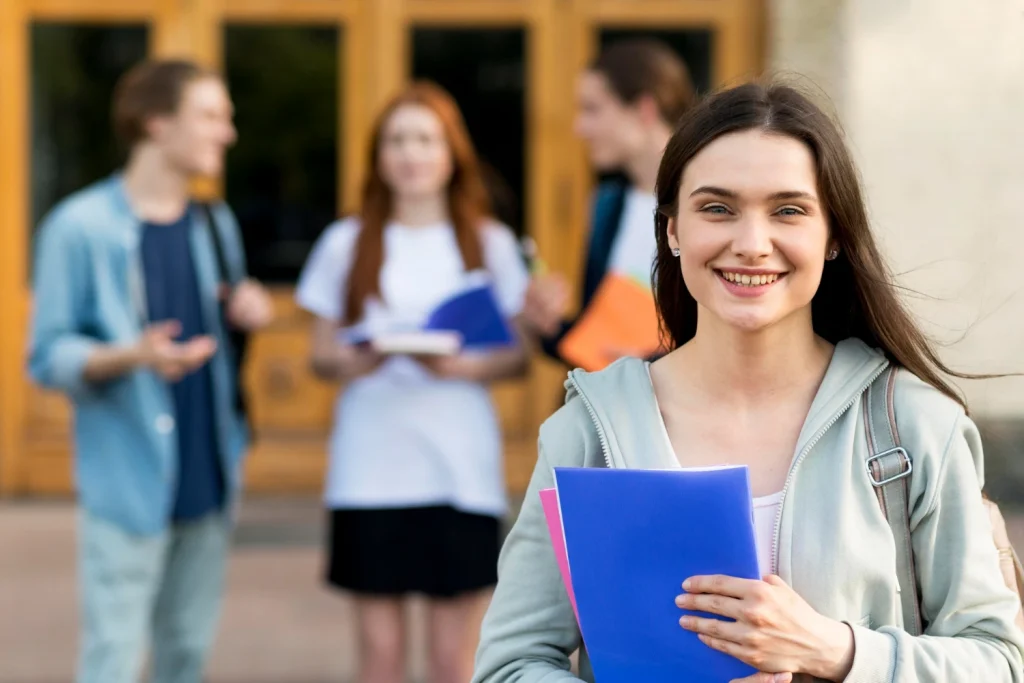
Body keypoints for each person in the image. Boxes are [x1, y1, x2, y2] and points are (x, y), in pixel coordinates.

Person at [472, 82, 1024, 683]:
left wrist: (832, 650)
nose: (752, 244)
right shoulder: (588, 430)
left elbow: (998, 660)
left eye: (788, 210)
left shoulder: (914, 426)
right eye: (717, 208)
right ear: (673, 230)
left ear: (834, 233)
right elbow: (511, 666)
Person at [28, 60, 273, 683]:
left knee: (186, 655)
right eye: (213, 117)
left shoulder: (215, 224)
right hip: (127, 480)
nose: (228, 133)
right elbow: (46, 355)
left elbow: (225, 335)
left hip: (210, 476)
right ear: (157, 125)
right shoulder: (78, 228)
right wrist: (129, 356)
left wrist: (247, 313)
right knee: (112, 658)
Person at [295, 81, 530, 683]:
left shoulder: (489, 243)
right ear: (378, 155)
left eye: (425, 139)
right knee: (380, 657)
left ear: (451, 153)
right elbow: (321, 354)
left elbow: (517, 354)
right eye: (396, 140)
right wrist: (361, 359)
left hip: (458, 468)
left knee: (455, 659)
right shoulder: (345, 242)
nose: (411, 153)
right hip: (370, 467)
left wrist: (463, 366)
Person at [520, 38, 695, 365]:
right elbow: (593, 344)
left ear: (645, 109)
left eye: (592, 109)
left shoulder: (709, 205)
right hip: (611, 405)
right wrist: (545, 324)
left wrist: (653, 361)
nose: (579, 127)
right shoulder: (608, 205)